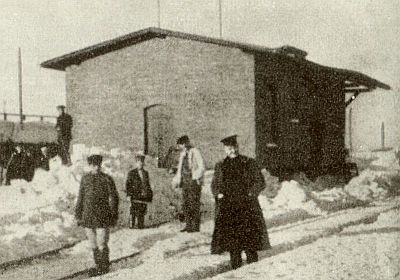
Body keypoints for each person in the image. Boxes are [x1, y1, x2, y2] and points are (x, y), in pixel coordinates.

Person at [210, 135, 271, 269]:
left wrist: (251, 193)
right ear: (225, 150)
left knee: (250, 240)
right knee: (233, 241)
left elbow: (260, 182)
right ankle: (236, 268)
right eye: (229, 148)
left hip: (247, 206)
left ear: (238, 147)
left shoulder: (248, 162)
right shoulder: (220, 165)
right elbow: (214, 184)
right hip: (228, 207)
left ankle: (253, 268)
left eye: (235, 147)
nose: (233, 150)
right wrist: (217, 193)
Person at [75, 155, 119, 277]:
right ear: (90, 166)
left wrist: (113, 215)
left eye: (98, 165)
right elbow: (81, 197)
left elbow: (114, 198)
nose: (97, 167)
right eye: (94, 165)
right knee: (93, 244)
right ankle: (98, 266)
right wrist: (78, 214)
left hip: (102, 215)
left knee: (102, 243)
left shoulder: (107, 179)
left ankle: (104, 267)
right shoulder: (85, 179)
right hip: (88, 215)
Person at [172, 135, 205, 232]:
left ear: (185, 144)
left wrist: (195, 177)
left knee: (194, 204)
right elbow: (180, 169)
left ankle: (195, 226)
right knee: (186, 204)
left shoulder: (195, 152)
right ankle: (188, 225)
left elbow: (202, 166)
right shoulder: (182, 154)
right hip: (185, 182)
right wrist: (178, 179)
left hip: (194, 182)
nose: (180, 147)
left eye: (181, 145)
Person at [125, 153, 153, 229]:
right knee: (133, 211)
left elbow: (147, 184)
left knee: (142, 210)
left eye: (142, 162)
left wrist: (150, 195)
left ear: (143, 163)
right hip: (134, 195)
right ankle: (132, 225)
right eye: (139, 162)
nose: (140, 163)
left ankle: (140, 225)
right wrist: (128, 195)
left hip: (143, 196)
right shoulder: (131, 173)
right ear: (136, 163)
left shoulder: (145, 173)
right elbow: (128, 185)